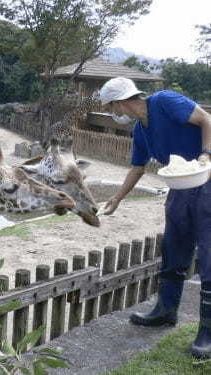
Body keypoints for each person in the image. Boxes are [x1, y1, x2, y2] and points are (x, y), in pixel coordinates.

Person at [99, 77, 211, 358]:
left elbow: (207, 120)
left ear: (119, 102)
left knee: (209, 255)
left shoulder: (164, 101)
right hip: (180, 188)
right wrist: (117, 198)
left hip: (207, 180)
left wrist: (207, 154)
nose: (113, 113)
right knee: (173, 250)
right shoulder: (140, 131)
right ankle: (165, 310)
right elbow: (137, 168)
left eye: (111, 106)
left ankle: (207, 332)